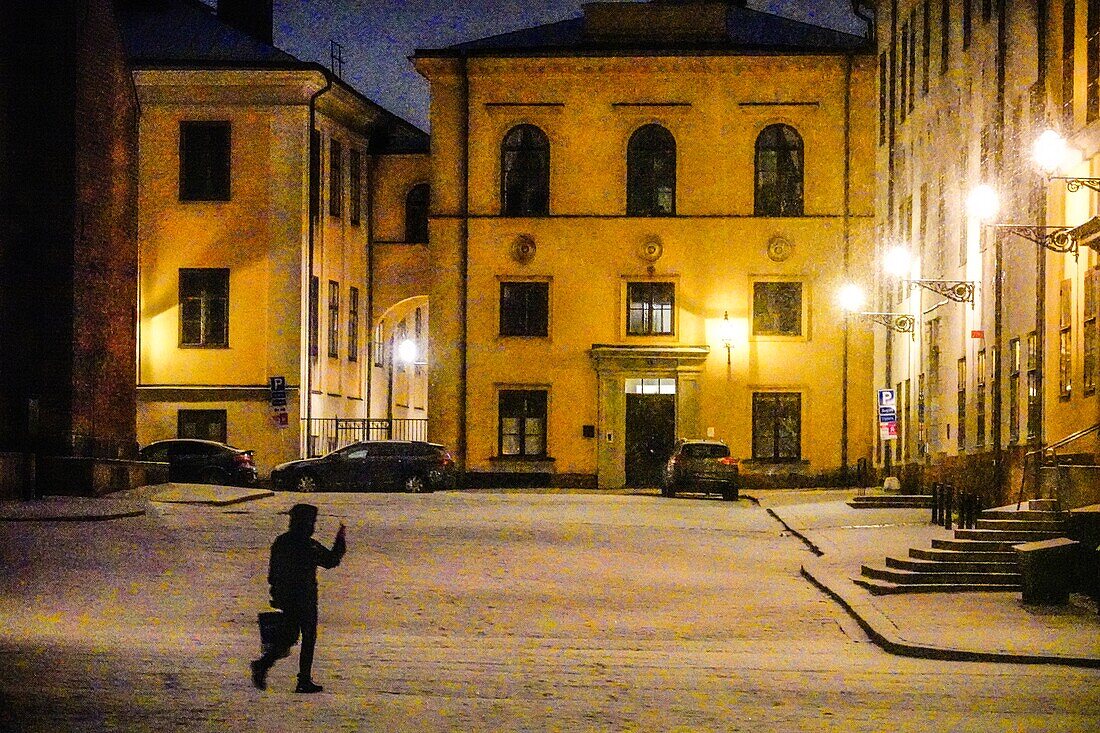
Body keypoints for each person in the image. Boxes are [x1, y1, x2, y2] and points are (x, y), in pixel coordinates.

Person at [251, 503, 346, 693]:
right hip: (305, 598)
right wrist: (340, 541)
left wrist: (277, 593)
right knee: (307, 636)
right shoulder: (308, 545)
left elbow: (273, 573)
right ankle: (300, 679)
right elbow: (330, 560)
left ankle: (264, 665)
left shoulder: (282, 542)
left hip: (288, 598)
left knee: (289, 636)